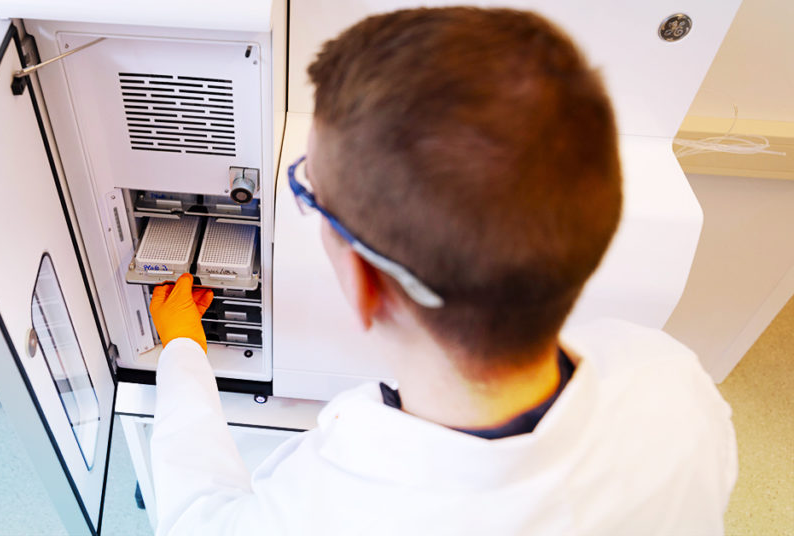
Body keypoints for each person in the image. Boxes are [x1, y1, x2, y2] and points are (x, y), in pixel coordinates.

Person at [147, 7, 737, 535]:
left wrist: (182, 350)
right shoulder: (671, 381)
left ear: (364, 282)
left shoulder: (318, 516)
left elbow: (195, 517)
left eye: (309, 192)